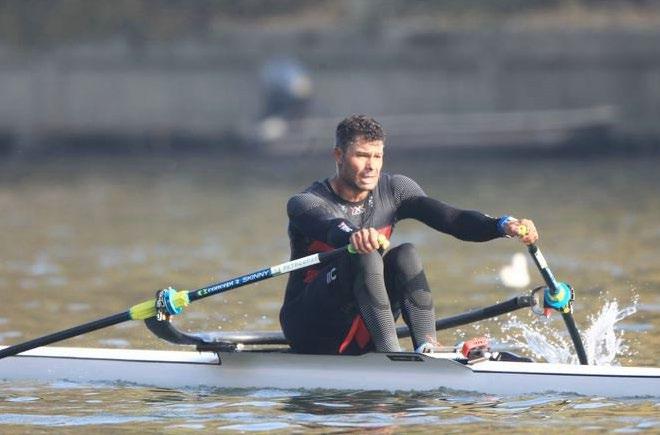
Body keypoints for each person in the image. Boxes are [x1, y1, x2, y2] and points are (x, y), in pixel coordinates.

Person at [279, 114, 538, 355]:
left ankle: (427, 346)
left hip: (364, 324)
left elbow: (454, 220)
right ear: (338, 155)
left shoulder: (395, 190)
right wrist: (353, 237)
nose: (372, 166)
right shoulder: (306, 202)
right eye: (361, 155)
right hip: (311, 328)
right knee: (365, 255)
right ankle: (392, 357)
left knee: (406, 254)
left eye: (377, 156)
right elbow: (333, 228)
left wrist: (502, 225)